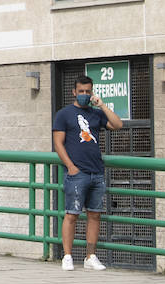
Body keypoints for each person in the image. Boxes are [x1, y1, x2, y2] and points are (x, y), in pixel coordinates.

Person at [52, 74, 123, 272]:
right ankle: (67, 256)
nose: (84, 94)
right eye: (81, 91)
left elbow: (118, 125)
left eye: (88, 91)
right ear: (73, 92)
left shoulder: (95, 113)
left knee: (94, 215)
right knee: (72, 214)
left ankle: (90, 256)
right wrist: (71, 167)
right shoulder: (64, 114)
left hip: (96, 172)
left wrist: (102, 105)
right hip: (77, 173)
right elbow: (58, 143)